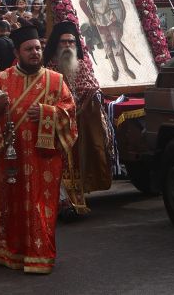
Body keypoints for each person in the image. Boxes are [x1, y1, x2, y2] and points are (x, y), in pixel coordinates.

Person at [0, 25, 77, 274]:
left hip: (44, 158)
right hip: (12, 158)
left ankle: (40, 255)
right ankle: (10, 253)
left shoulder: (55, 81)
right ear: (17, 52)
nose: (35, 53)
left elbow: (70, 112)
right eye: (29, 49)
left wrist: (48, 112)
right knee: (12, 206)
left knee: (40, 206)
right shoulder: (0, 80)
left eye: (38, 48)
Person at [43, 21, 111, 218]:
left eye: (71, 42)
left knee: (79, 163)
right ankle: (61, 201)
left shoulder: (81, 65)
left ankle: (77, 199)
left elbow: (92, 87)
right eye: (63, 42)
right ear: (56, 44)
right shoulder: (48, 68)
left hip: (79, 124)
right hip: (55, 125)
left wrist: (85, 101)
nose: (67, 46)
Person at [78, 0, 132, 81]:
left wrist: (120, 15)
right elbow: (82, 2)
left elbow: (115, 0)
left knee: (117, 41)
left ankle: (126, 67)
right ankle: (115, 69)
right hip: (99, 18)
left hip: (110, 16)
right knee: (106, 44)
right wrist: (90, 16)